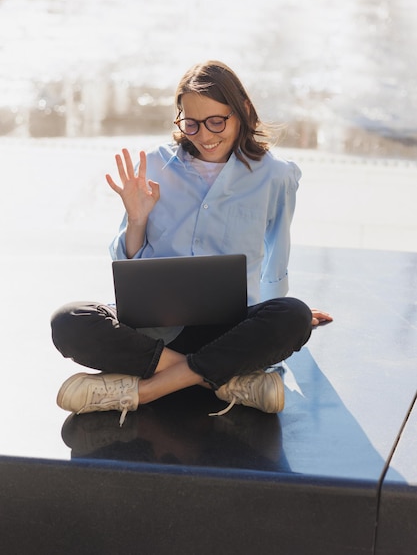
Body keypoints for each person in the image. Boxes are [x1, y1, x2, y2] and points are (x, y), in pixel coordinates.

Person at [51, 60, 332, 426]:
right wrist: (136, 220)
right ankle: (223, 381)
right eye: (191, 123)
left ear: (243, 111)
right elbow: (128, 265)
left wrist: (276, 316)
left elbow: (276, 261)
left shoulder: (276, 176)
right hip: (155, 333)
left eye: (217, 121)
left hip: (226, 329)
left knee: (292, 315)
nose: (204, 135)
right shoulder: (154, 164)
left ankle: (144, 390)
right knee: (69, 321)